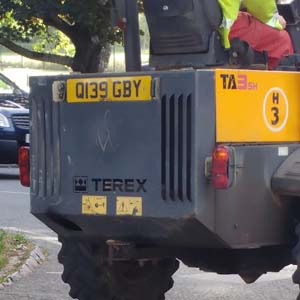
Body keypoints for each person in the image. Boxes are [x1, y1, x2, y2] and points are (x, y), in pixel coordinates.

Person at [218, 0, 294, 69]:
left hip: (213, 21)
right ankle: (275, 81)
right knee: (282, 40)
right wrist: (274, 19)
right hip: (225, 25)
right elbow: (260, 5)